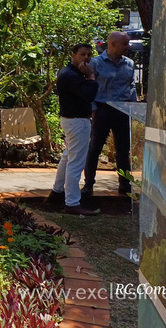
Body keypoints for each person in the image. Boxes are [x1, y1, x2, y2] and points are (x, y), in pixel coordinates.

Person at [82, 31, 137, 196]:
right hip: (102, 109)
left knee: (123, 150)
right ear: (113, 44)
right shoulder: (96, 63)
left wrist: (133, 106)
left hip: (122, 110)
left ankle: (125, 185)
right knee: (95, 148)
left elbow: (131, 85)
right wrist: (93, 108)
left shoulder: (129, 63)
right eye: (125, 44)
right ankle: (88, 185)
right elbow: (89, 86)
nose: (128, 47)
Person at [48, 44, 99, 216]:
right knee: (75, 163)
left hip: (71, 120)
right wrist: (91, 76)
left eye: (89, 55)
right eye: (82, 54)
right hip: (77, 122)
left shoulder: (73, 73)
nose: (86, 58)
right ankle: (72, 203)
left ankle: (56, 193)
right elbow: (89, 94)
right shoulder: (71, 75)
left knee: (67, 157)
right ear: (73, 55)